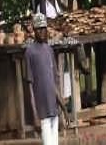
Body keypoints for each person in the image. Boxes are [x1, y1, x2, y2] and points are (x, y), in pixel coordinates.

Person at [25, 13, 69, 144]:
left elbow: (53, 83)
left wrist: (64, 109)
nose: (42, 32)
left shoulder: (49, 50)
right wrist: (35, 116)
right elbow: (30, 85)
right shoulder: (30, 52)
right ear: (33, 29)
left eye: (44, 28)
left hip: (53, 109)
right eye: (39, 29)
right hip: (42, 111)